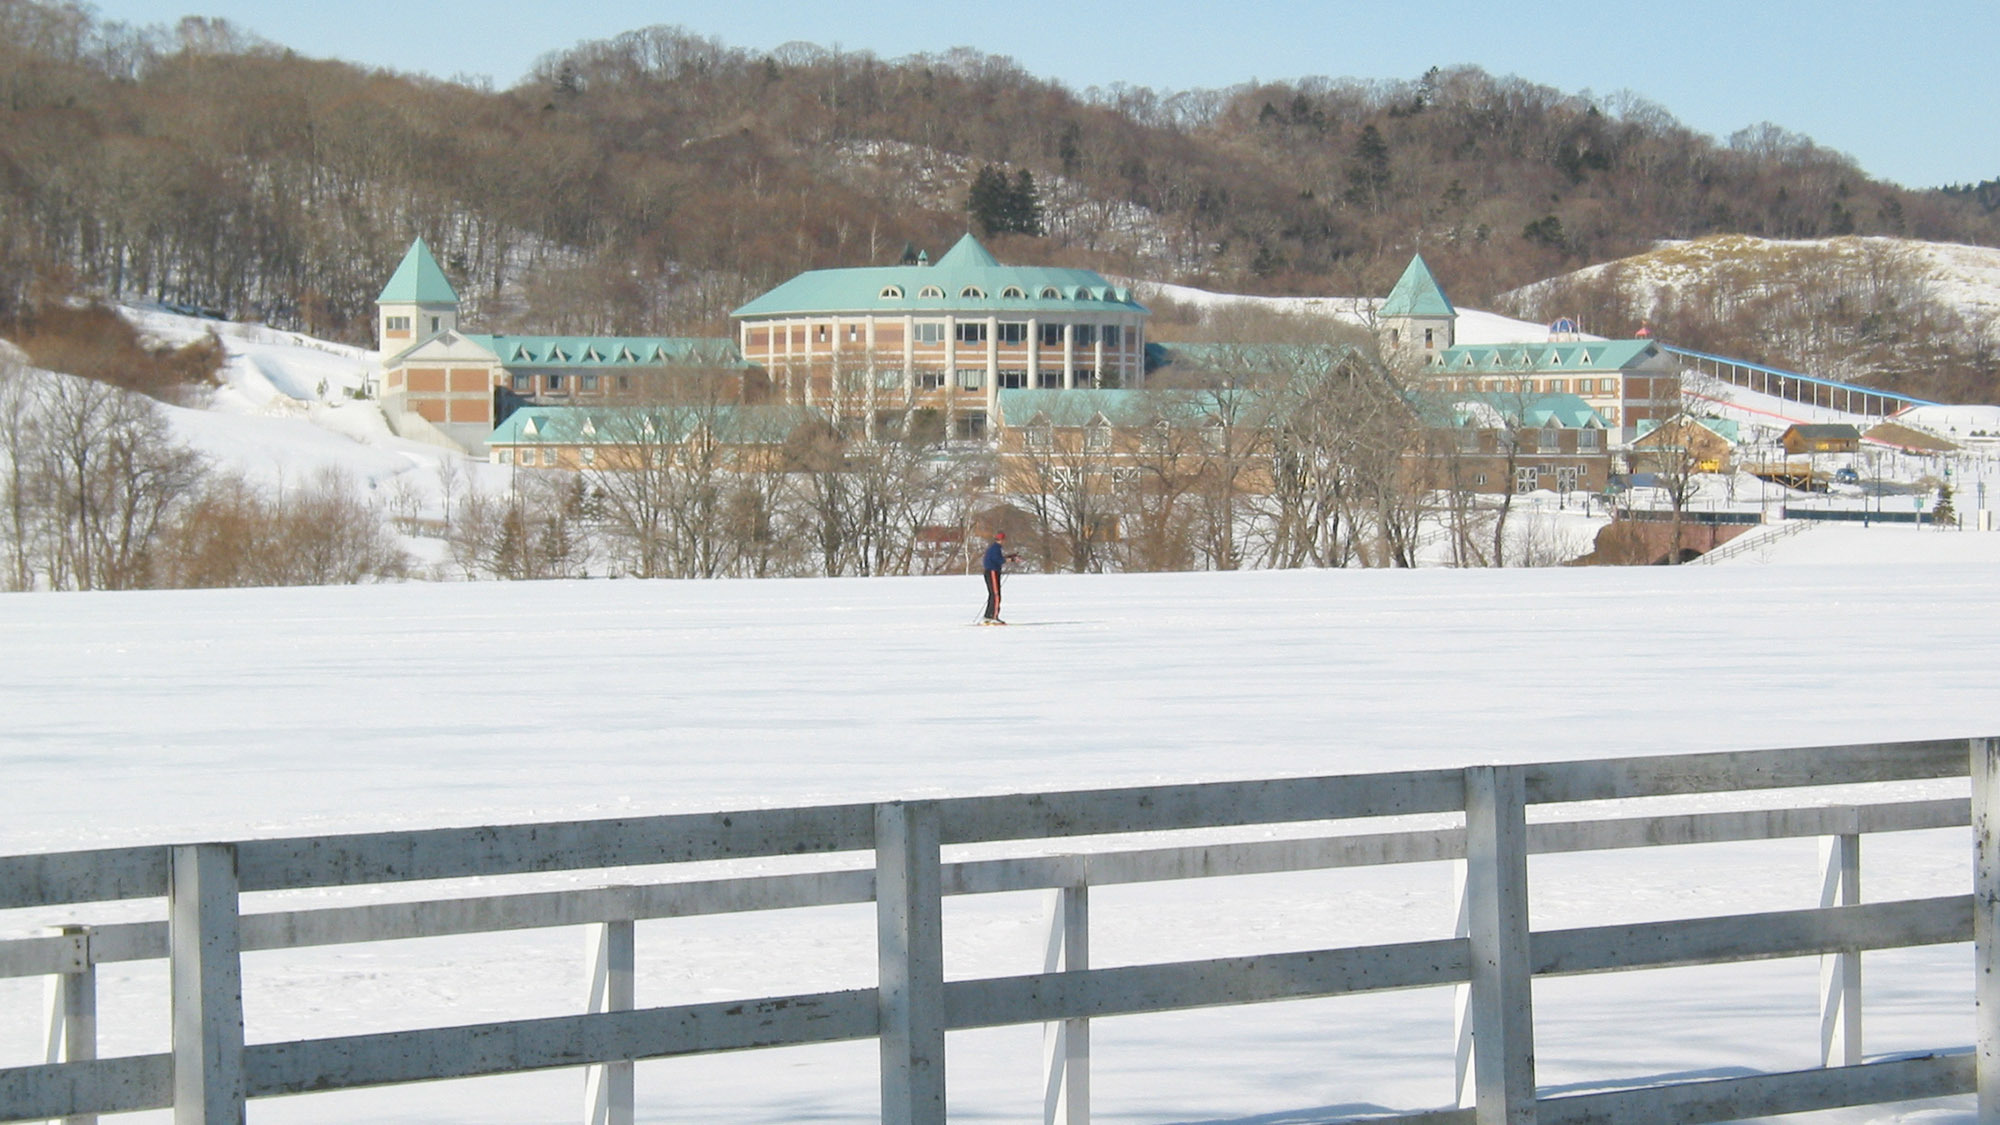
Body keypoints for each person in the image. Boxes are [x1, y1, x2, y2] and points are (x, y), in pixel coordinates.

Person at [980, 531, 1018, 624]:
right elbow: (998, 560)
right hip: (992, 572)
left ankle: (988, 616)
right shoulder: (995, 549)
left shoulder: (995, 548)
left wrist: (1010, 556)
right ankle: (993, 616)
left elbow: (998, 558)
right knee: (996, 595)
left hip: (991, 572)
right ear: (1001, 540)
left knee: (993, 594)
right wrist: (1011, 559)